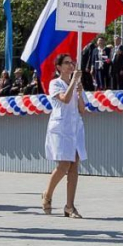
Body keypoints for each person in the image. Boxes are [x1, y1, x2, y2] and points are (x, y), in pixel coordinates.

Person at [41, 53, 87, 218]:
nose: (70, 65)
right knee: (63, 166)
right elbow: (65, 99)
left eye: (72, 62)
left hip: (75, 129)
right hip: (61, 128)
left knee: (74, 166)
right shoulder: (55, 83)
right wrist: (74, 82)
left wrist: (80, 93)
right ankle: (47, 194)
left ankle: (69, 206)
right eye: (66, 63)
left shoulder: (76, 84)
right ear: (59, 67)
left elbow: (82, 109)